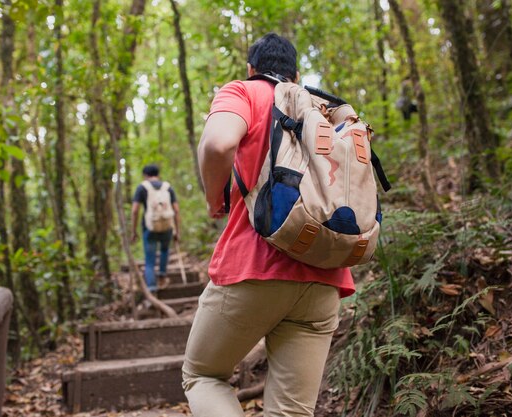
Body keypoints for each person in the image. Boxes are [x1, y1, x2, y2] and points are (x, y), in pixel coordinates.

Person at [182, 33, 355, 417]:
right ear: (295, 73)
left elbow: (217, 145)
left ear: (250, 69)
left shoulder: (243, 91)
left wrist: (216, 197)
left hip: (254, 266)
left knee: (202, 375)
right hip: (324, 277)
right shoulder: (324, 106)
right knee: (291, 411)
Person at [131, 164, 180, 292]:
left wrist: (133, 231)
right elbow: (176, 210)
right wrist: (177, 231)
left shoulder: (142, 187)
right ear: (158, 174)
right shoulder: (168, 187)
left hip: (149, 227)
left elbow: (135, 210)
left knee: (149, 259)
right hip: (167, 226)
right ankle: (162, 276)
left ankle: (152, 288)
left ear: (145, 175)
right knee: (164, 251)